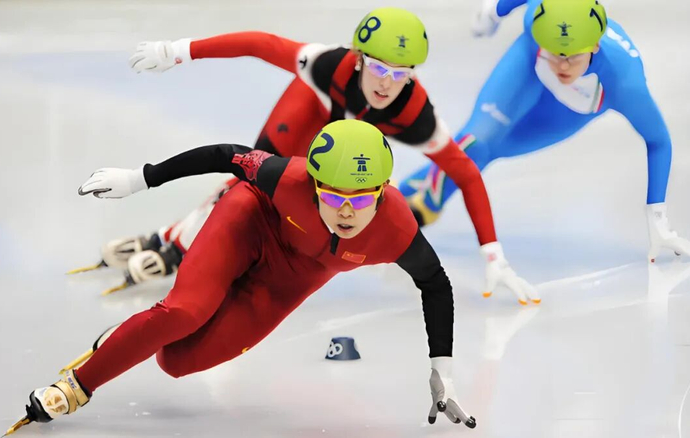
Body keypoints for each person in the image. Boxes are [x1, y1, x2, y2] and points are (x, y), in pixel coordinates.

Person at [5, 120, 477, 436]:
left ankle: (129, 334)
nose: (346, 211)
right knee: (185, 312)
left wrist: (443, 370)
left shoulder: (397, 230)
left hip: (293, 279)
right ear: (313, 185)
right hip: (250, 222)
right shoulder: (286, 178)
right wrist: (141, 177)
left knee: (177, 360)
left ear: (384, 190)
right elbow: (228, 155)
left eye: (361, 198)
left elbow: (435, 285)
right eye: (332, 197)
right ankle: (76, 386)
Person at [70, 7, 538, 304]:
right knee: (251, 175)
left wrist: (492, 252)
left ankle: (175, 240)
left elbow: (466, 173)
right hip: (310, 106)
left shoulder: (416, 115)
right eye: (378, 67)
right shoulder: (326, 63)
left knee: (293, 198)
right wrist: (180, 51)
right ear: (359, 58)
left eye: (402, 74)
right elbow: (260, 45)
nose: (386, 83)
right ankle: (175, 240)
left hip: (344, 142)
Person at [398, 0, 690, 263]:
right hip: (529, 64)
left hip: (573, 106)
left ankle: (413, 194)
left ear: (594, 46)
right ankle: (414, 202)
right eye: (556, 53)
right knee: (478, 139)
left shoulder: (625, 82)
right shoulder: (538, 20)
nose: (562, 65)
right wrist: (494, 12)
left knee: (493, 149)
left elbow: (658, 141)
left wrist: (658, 219)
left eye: (572, 56)